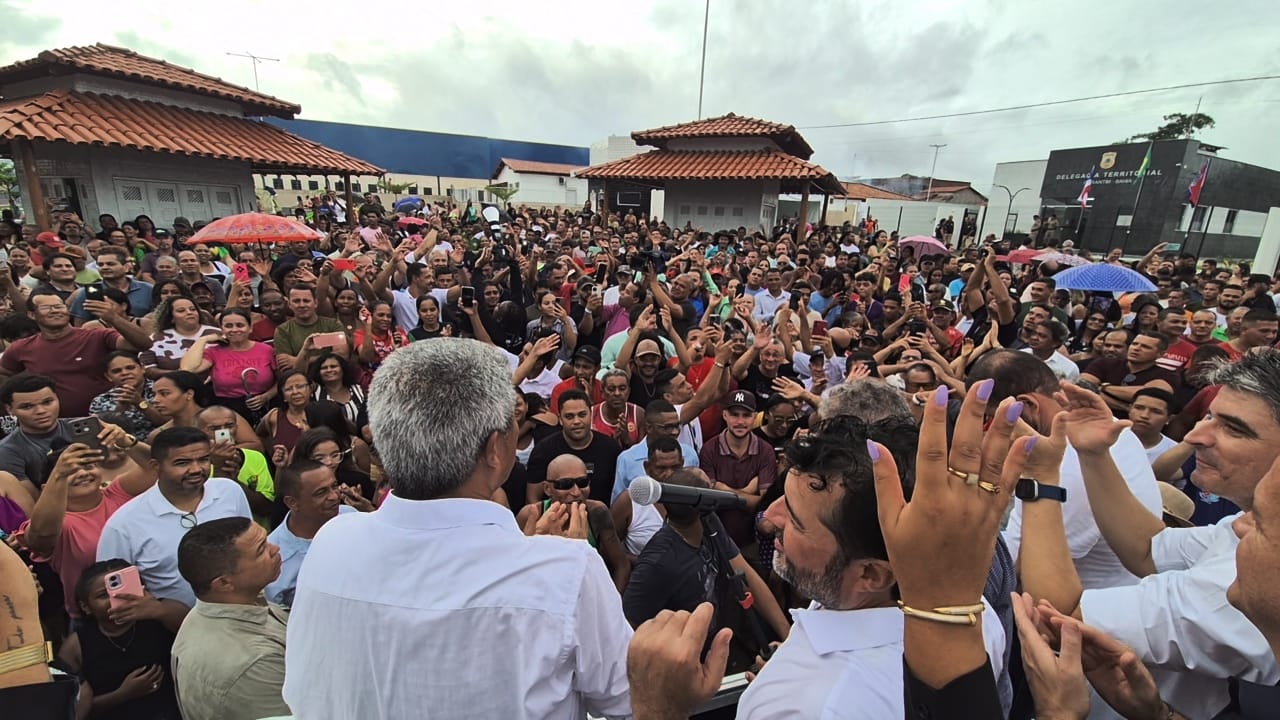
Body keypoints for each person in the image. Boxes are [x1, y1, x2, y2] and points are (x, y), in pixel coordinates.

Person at [283, 339, 633, 719]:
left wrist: (530, 555)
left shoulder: (332, 543)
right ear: (495, 449)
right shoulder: (567, 569)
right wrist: (546, 562)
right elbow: (626, 705)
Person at [1018, 357, 1280, 719]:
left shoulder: (1247, 580)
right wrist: (1094, 454)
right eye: (1209, 418)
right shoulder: (1249, 525)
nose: (1194, 437)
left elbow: (1061, 621)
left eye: (1234, 429)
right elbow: (1150, 549)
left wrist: (1040, 480)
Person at [623, 466, 790, 655]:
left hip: (719, 646)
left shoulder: (709, 522)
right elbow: (629, 625)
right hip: (686, 664)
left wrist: (788, 636)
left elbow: (747, 578)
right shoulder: (657, 561)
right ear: (702, 503)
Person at [96, 427, 252, 608]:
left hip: (244, 613)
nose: (196, 469)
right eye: (182, 463)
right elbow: (113, 590)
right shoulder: (123, 524)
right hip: (169, 631)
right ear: (156, 467)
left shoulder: (229, 491)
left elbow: (251, 547)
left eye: (203, 459)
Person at [171, 517, 289, 720]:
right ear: (224, 583)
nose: (275, 549)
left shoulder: (234, 604)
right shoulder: (254, 662)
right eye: (261, 550)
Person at [58, 559, 182, 720]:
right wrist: (122, 694)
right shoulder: (76, 646)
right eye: (103, 595)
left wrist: (159, 611)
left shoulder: (158, 615)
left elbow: (191, 628)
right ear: (86, 607)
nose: (115, 598)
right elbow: (69, 707)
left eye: (122, 590)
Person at [0, 291, 153, 416]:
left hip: (107, 419)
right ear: (32, 315)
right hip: (56, 424)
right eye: (46, 307)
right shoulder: (22, 347)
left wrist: (113, 318)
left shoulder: (97, 336)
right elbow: (5, 372)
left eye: (59, 306)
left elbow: (143, 344)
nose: (55, 311)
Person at [516, 454, 631, 592]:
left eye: (582, 483)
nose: (576, 492)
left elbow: (621, 565)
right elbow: (515, 567)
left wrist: (613, 605)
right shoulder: (530, 515)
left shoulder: (597, 512)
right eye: (565, 485)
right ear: (547, 489)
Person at [264, 460, 358, 607]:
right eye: (321, 493)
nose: (334, 496)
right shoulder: (274, 558)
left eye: (334, 486)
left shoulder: (351, 518)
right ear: (292, 503)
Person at [698, 390, 776, 550]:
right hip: (716, 541)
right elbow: (710, 500)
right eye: (734, 414)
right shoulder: (709, 449)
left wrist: (723, 489)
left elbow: (765, 505)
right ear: (725, 415)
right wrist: (749, 491)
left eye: (746, 415)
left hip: (753, 543)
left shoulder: (766, 450)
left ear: (755, 416)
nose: (740, 421)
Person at [180, 309, 278, 424]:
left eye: (240, 325)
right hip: (226, 409)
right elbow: (188, 368)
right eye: (228, 326)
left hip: (264, 406)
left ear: (250, 328)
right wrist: (203, 340)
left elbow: (280, 379)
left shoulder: (266, 350)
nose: (234, 329)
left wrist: (266, 396)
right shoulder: (214, 352)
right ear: (222, 329)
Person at [526, 389, 622, 504]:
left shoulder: (611, 448)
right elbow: (532, 499)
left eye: (582, 415)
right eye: (569, 416)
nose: (577, 421)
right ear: (560, 419)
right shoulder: (543, 451)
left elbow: (619, 495)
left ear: (591, 415)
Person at [194, 406, 275, 523]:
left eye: (229, 426)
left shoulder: (255, 457)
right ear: (199, 432)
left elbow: (266, 508)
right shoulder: (195, 464)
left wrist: (233, 481)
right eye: (214, 428)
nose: (223, 432)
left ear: (237, 428)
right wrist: (219, 470)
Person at [611, 436, 683, 557]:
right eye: (661, 468)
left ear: (683, 465)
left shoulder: (693, 497)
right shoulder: (630, 500)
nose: (669, 474)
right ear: (647, 468)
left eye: (675, 468)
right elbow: (609, 549)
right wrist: (642, 564)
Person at [273, 285, 347, 372]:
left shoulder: (333, 325)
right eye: (296, 301)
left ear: (315, 303)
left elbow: (341, 356)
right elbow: (286, 367)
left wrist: (299, 360)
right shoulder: (282, 331)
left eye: (306, 301)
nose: (302, 305)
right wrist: (326, 355)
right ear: (289, 304)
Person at [90, 351, 164, 438]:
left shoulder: (161, 391)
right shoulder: (100, 401)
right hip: (120, 448)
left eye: (130, 368)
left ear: (143, 368)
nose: (124, 373)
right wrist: (120, 411)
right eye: (116, 371)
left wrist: (140, 403)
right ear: (108, 377)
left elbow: (170, 423)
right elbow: (99, 433)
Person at [140, 297, 220, 376]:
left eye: (193, 309)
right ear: (171, 317)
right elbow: (148, 370)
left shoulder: (217, 334)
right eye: (181, 311)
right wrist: (179, 375)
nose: (189, 312)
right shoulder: (156, 338)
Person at [591, 367, 644, 447]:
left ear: (629, 392)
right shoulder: (592, 414)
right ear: (602, 393)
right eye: (611, 389)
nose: (617, 393)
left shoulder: (638, 414)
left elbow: (642, 453)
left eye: (622, 389)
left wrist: (626, 439)